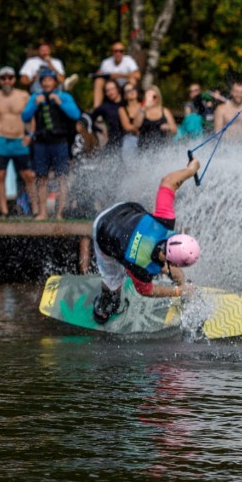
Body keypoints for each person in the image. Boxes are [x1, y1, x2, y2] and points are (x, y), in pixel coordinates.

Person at [90, 158, 202, 324]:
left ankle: (184, 284)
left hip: (123, 210)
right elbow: (146, 290)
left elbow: (168, 181)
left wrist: (191, 170)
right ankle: (107, 301)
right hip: (103, 230)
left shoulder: (165, 221)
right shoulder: (141, 266)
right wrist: (178, 292)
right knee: (113, 282)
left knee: (156, 258)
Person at [0, 65, 37, 218]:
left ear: (14, 79)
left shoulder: (23, 95)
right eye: (4, 78)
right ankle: (3, 209)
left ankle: (35, 209)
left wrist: (30, 134)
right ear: (0, 81)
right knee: (1, 175)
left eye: (10, 78)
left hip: (19, 140)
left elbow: (34, 114)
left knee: (28, 175)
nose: (7, 81)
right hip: (1, 139)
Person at [21, 67, 81, 220]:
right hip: (41, 143)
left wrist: (60, 103)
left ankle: (60, 213)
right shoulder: (35, 97)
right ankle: (42, 212)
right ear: (41, 83)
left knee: (62, 178)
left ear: (55, 82)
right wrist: (35, 104)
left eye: (50, 80)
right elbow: (25, 116)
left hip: (60, 142)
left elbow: (75, 114)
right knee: (42, 178)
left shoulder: (64, 96)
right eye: (44, 80)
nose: (47, 83)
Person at [128, 84, 177, 152]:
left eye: (154, 96)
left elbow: (174, 130)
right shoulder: (141, 111)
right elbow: (136, 125)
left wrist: (168, 127)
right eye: (148, 96)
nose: (152, 99)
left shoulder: (164, 111)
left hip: (162, 148)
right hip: (144, 149)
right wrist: (144, 106)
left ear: (158, 97)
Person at [92, 42, 141, 108]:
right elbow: (99, 74)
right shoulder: (106, 62)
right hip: (111, 87)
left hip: (125, 86)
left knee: (133, 80)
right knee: (98, 81)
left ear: (123, 52)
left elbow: (138, 75)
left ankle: (132, 107)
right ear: (112, 52)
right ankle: (96, 109)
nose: (118, 53)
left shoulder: (129, 60)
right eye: (116, 51)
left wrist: (119, 75)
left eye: (121, 51)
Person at [89, 78, 125, 157]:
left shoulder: (126, 102)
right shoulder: (105, 107)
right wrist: (100, 130)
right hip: (113, 142)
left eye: (112, 89)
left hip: (128, 141)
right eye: (107, 91)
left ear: (118, 88)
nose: (110, 92)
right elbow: (89, 119)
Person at [118, 82, 142, 165]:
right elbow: (127, 127)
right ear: (124, 95)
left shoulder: (144, 105)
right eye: (128, 90)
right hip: (131, 139)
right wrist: (138, 132)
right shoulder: (122, 109)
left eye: (133, 89)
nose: (131, 92)